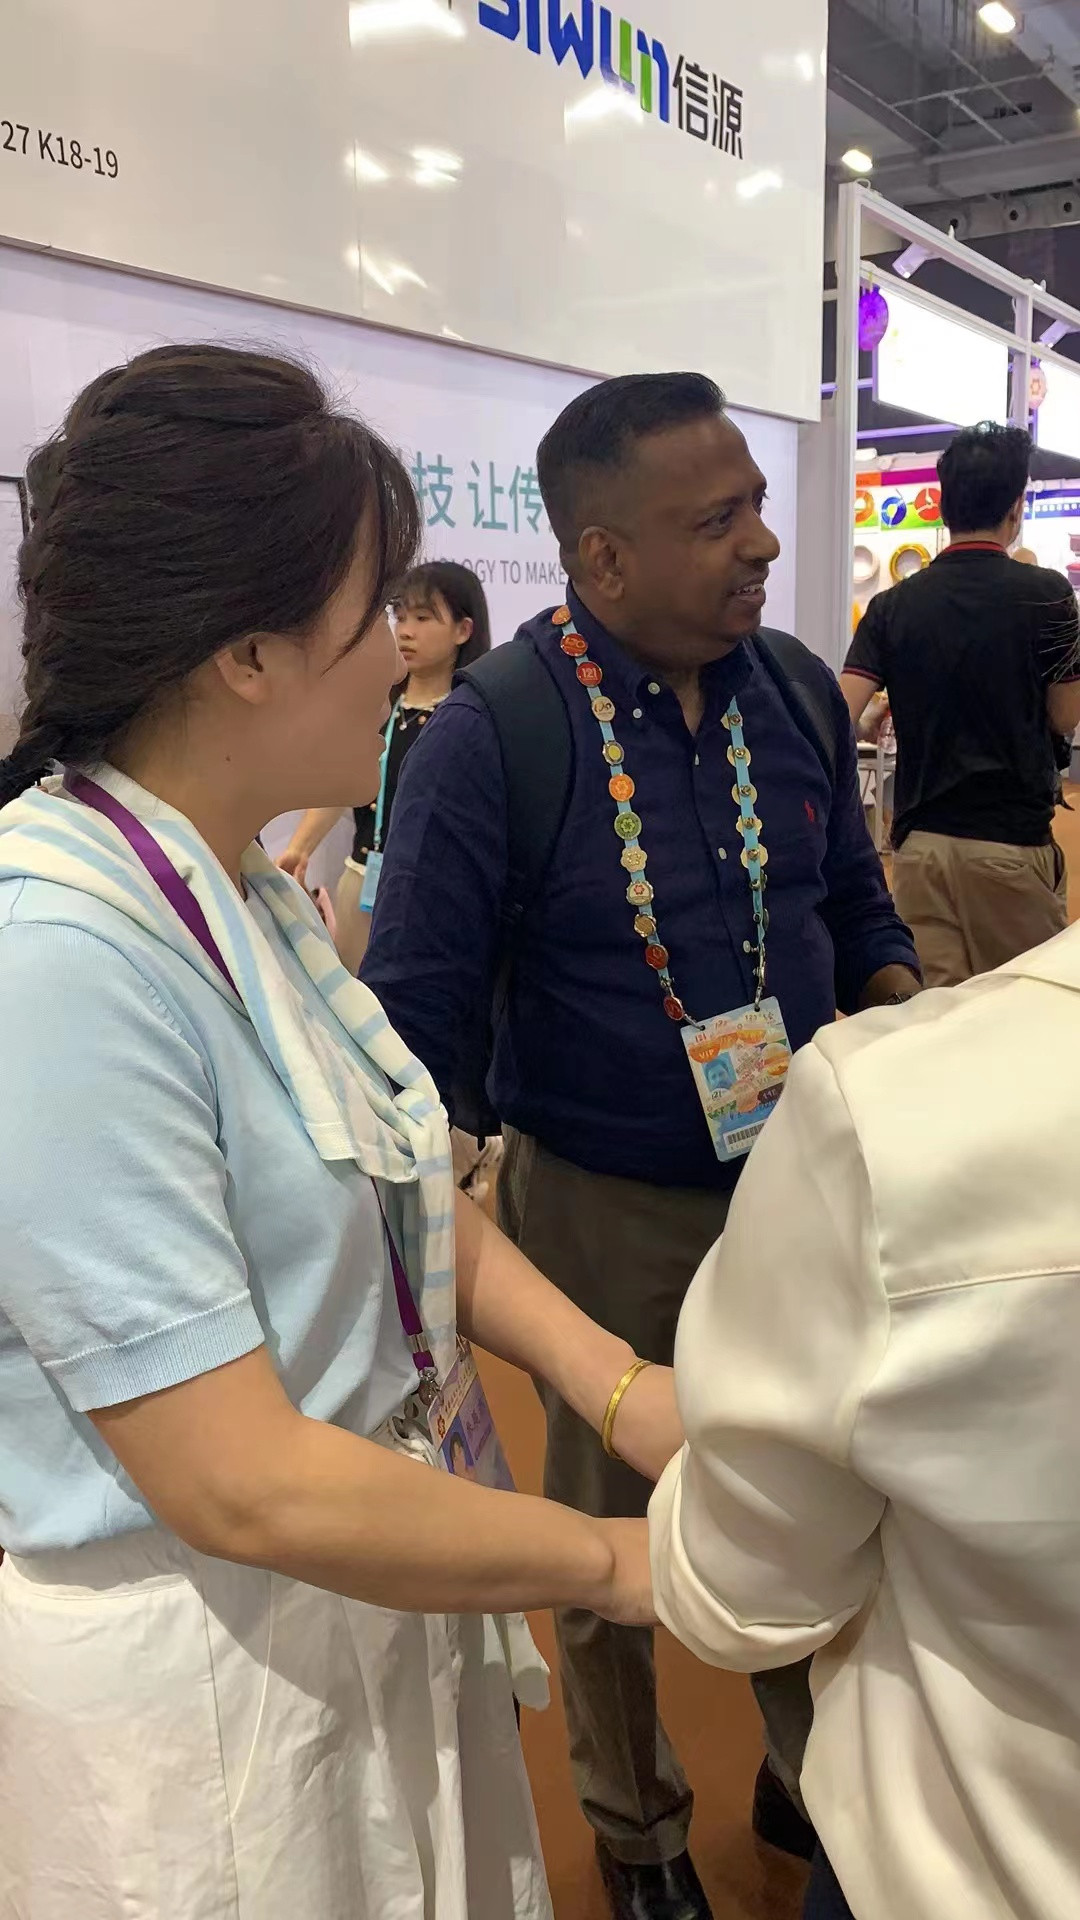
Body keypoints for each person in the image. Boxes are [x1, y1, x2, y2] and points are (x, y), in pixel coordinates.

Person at [0, 344, 685, 1920]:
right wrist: (604, 1560)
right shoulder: (62, 958)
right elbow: (238, 1480)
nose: (403, 655)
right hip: (206, 1691)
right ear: (247, 653)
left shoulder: (231, 883)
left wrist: (619, 1384)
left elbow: (397, 1182)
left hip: (354, 1597)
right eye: (377, 612)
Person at [362, 372, 921, 1919]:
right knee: (610, 1529)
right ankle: (637, 1823)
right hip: (600, 1207)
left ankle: (805, 1772)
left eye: (757, 506)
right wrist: (428, 1239)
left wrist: (910, 1028)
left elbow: (855, 905)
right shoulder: (499, 733)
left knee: (827, 1489)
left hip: (802, 1182)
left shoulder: (793, 689)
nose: (762, 545)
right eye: (717, 519)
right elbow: (416, 1019)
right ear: (601, 559)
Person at [650, 920, 1080, 1920]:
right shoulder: (901, 1110)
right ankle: (638, 1823)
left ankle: (773, 1777)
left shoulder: (899, 1117)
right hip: (650, 1187)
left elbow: (742, 1591)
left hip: (952, 1868)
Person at [842, 424, 1080, 988]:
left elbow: (841, 713)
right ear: (1016, 507)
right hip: (1008, 841)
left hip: (919, 850)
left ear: (944, 504)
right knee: (1023, 1014)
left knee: (937, 1020)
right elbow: (1065, 716)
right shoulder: (1048, 595)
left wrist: (884, 712)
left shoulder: (892, 605)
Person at [279, 559, 491, 974]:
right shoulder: (377, 706)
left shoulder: (473, 718)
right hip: (360, 882)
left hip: (435, 894)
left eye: (423, 618)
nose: (405, 631)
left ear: (463, 630)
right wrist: (299, 849)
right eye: (399, 616)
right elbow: (339, 786)